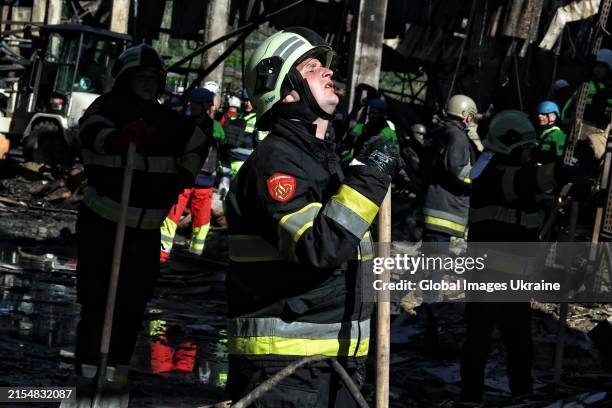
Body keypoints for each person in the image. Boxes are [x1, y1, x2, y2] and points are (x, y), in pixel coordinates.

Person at [225, 27, 402, 406]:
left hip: (332, 361)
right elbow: (317, 247)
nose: (327, 72)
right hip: (284, 370)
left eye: (325, 66)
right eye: (311, 67)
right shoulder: (275, 164)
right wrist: (369, 179)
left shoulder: (322, 163)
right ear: (285, 88)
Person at [74, 44, 209, 392]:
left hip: (144, 233)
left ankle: (116, 377)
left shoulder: (167, 120)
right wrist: (117, 138)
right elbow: (88, 133)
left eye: (154, 78)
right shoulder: (107, 108)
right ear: (124, 79)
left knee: (132, 307)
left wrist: (184, 176)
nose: (149, 83)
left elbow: (198, 143)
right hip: (104, 225)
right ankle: (88, 376)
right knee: (97, 302)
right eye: (141, 77)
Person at [461, 110, 580, 403]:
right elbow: (526, 181)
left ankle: (521, 392)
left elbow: (533, 197)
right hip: (488, 274)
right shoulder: (493, 172)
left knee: (518, 338)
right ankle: (470, 395)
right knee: (479, 337)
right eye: (525, 147)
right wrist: (559, 172)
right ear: (509, 145)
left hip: (513, 275)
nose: (530, 153)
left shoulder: (505, 169)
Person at [160, 87, 224, 262]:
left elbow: (220, 151)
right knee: (171, 218)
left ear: (205, 105)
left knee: (202, 222)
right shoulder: (183, 123)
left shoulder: (215, 128)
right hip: (183, 180)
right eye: (191, 102)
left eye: (195, 103)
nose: (191, 105)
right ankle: (162, 256)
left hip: (204, 183)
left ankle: (195, 256)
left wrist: (223, 176)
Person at [421, 94, 477, 242]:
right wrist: (478, 178)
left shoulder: (440, 132)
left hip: (433, 202)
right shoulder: (457, 136)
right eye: (471, 116)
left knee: (430, 257)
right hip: (445, 208)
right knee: (436, 260)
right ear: (466, 115)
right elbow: (458, 171)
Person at [340, 97, 399, 163]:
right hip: (356, 167)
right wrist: (348, 158)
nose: (371, 115)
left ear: (382, 115)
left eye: (374, 113)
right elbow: (345, 144)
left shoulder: (389, 132)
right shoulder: (362, 127)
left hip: (376, 170)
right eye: (370, 112)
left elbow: (395, 156)